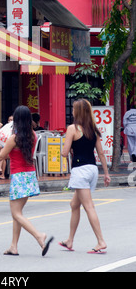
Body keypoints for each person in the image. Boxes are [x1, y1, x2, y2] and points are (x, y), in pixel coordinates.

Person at [0, 105, 54, 257]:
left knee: (16, 214)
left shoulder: (14, 138)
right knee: (17, 213)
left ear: (16, 120)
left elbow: (0, 156)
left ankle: (39, 235)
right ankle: (13, 246)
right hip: (30, 176)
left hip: (18, 177)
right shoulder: (33, 135)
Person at [60, 98, 111, 254]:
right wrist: (106, 174)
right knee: (74, 205)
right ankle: (70, 240)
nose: (73, 111)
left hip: (80, 171)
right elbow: (101, 153)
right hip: (92, 169)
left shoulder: (73, 128)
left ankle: (101, 241)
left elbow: (64, 152)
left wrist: (66, 144)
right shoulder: (93, 129)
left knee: (89, 207)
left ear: (78, 112)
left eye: (74, 109)